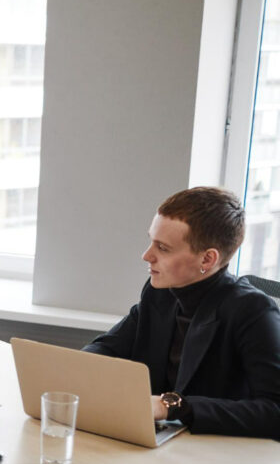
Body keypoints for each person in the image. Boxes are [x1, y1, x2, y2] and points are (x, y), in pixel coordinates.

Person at [83, 186, 280, 439]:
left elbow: (275, 411)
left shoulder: (253, 311)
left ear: (207, 260)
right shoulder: (161, 292)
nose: (146, 256)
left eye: (163, 248)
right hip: (160, 444)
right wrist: (77, 372)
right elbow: (108, 348)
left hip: (219, 456)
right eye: (151, 241)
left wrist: (173, 406)